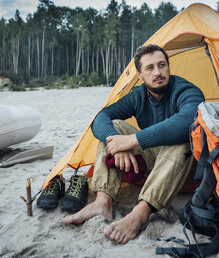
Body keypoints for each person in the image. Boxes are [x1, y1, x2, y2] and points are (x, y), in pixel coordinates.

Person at [63, 44, 205, 244]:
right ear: (139, 74)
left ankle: (141, 212)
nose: (158, 72)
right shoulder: (138, 96)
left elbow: (187, 120)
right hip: (153, 162)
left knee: (185, 135)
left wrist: (131, 140)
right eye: (149, 68)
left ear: (168, 67)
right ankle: (103, 201)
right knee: (113, 126)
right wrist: (118, 146)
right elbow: (101, 118)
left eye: (162, 65)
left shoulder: (186, 90)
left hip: (184, 167)